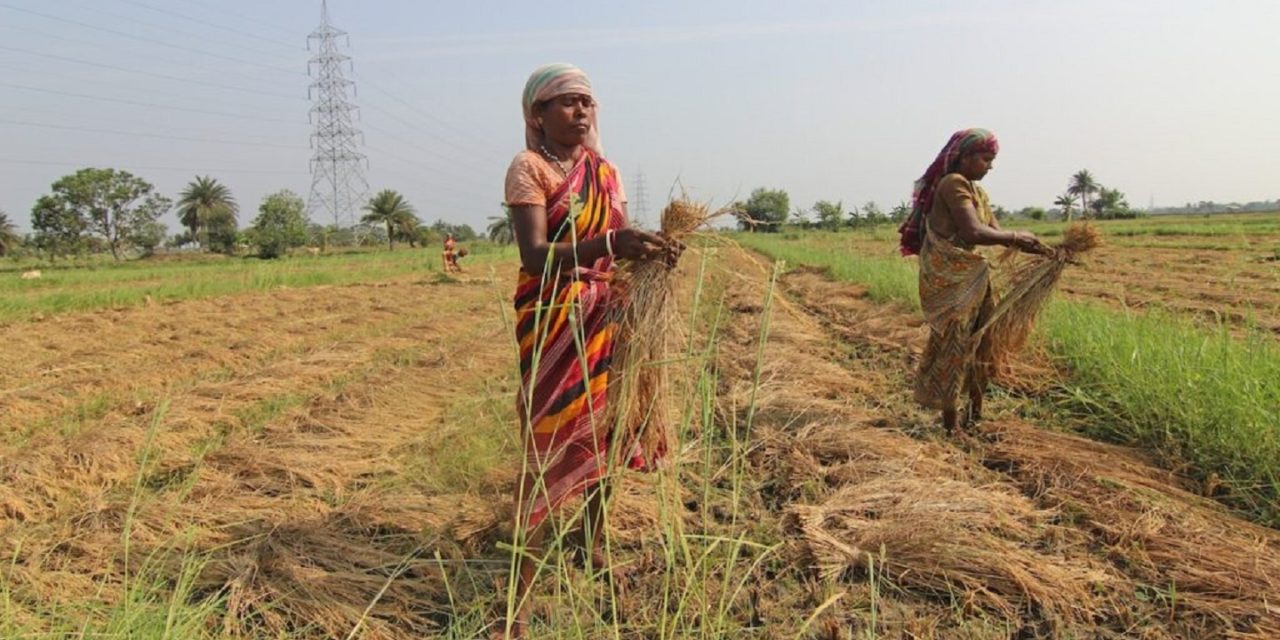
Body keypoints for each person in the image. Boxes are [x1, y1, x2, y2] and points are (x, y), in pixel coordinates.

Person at [498, 62, 680, 638]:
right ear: (538, 114)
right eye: (567, 102)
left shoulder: (604, 171)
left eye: (587, 102)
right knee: (551, 441)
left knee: (612, 428)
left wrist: (650, 251)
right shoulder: (529, 169)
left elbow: (619, 247)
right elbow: (533, 255)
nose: (581, 111)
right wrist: (609, 241)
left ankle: (592, 541)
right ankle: (519, 600)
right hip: (556, 322)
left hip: (610, 317)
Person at [899, 128, 1050, 433]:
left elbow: (995, 230)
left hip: (973, 276)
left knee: (983, 342)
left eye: (992, 160)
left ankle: (976, 414)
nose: (990, 166)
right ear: (964, 157)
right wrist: (1018, 237)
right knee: (955, 348)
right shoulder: (952, 184)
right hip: (951, 279)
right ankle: (950, 425)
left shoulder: (977, 191)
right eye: (985, 159)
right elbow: (974, 232)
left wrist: (1046, 250)